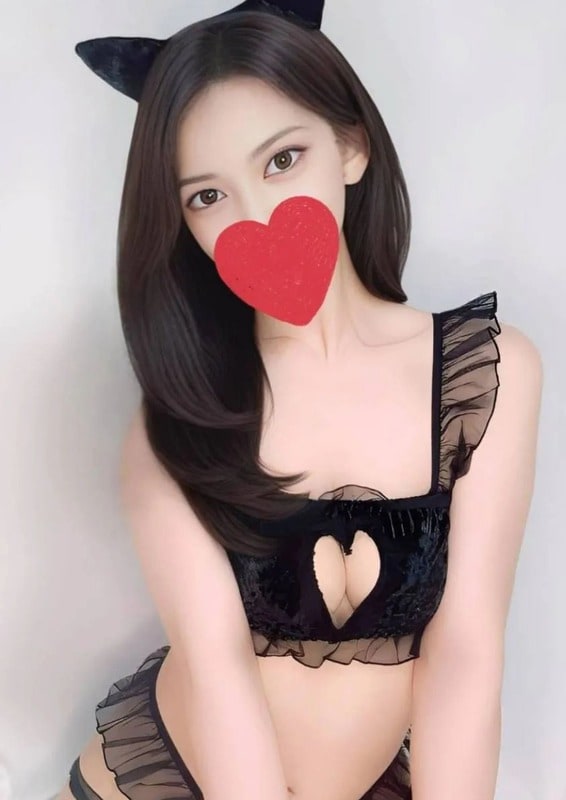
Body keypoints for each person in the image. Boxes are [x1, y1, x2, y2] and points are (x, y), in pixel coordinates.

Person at [56, 2, 543, 799]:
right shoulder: (177, 420)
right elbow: (216, 671)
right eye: (206, 197)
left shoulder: (484, 374)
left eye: (282, 160)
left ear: (351, 146)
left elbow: (465, 654)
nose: (254, 215)